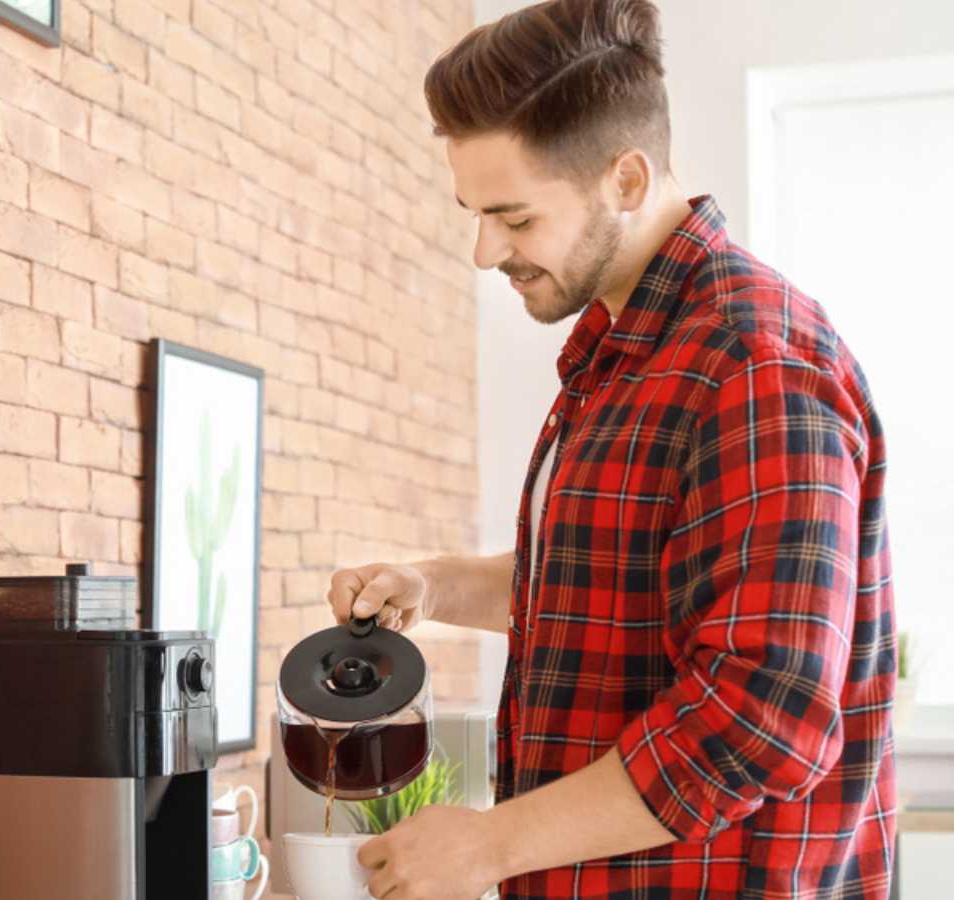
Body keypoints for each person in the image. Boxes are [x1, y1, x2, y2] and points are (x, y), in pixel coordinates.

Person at [324, 1, 897, 897]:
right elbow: (610, 587)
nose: (484, 252)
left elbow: (762, 719)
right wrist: (436, 585)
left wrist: (489, 845)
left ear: (626, 180)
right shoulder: (625, 354)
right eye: (475, 213)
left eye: (514, 219)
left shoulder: (753, 362)